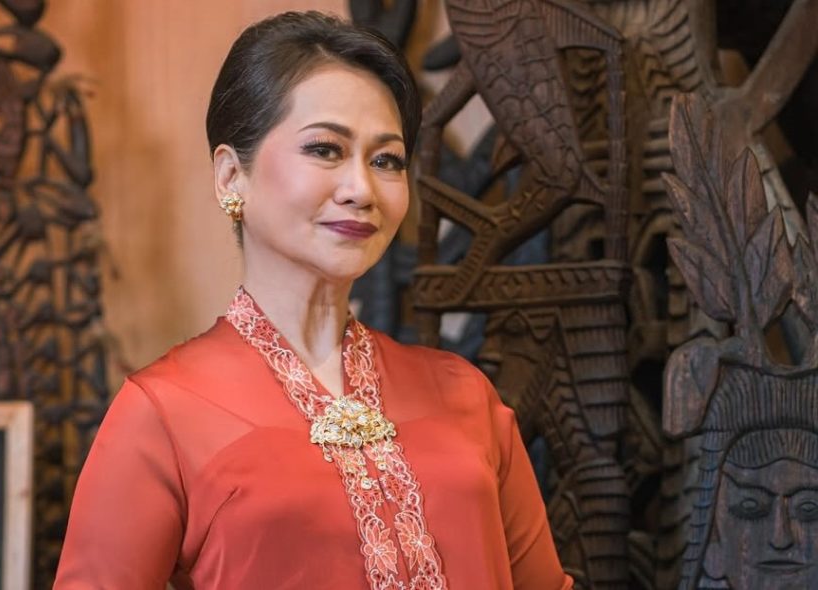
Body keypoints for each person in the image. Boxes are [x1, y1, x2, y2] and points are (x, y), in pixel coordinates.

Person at [54, 11, 571, 589]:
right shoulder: (162, 413)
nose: (361, 189)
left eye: (386, 160)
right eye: (325, 149)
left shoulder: (466, 396)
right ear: (231, 177)